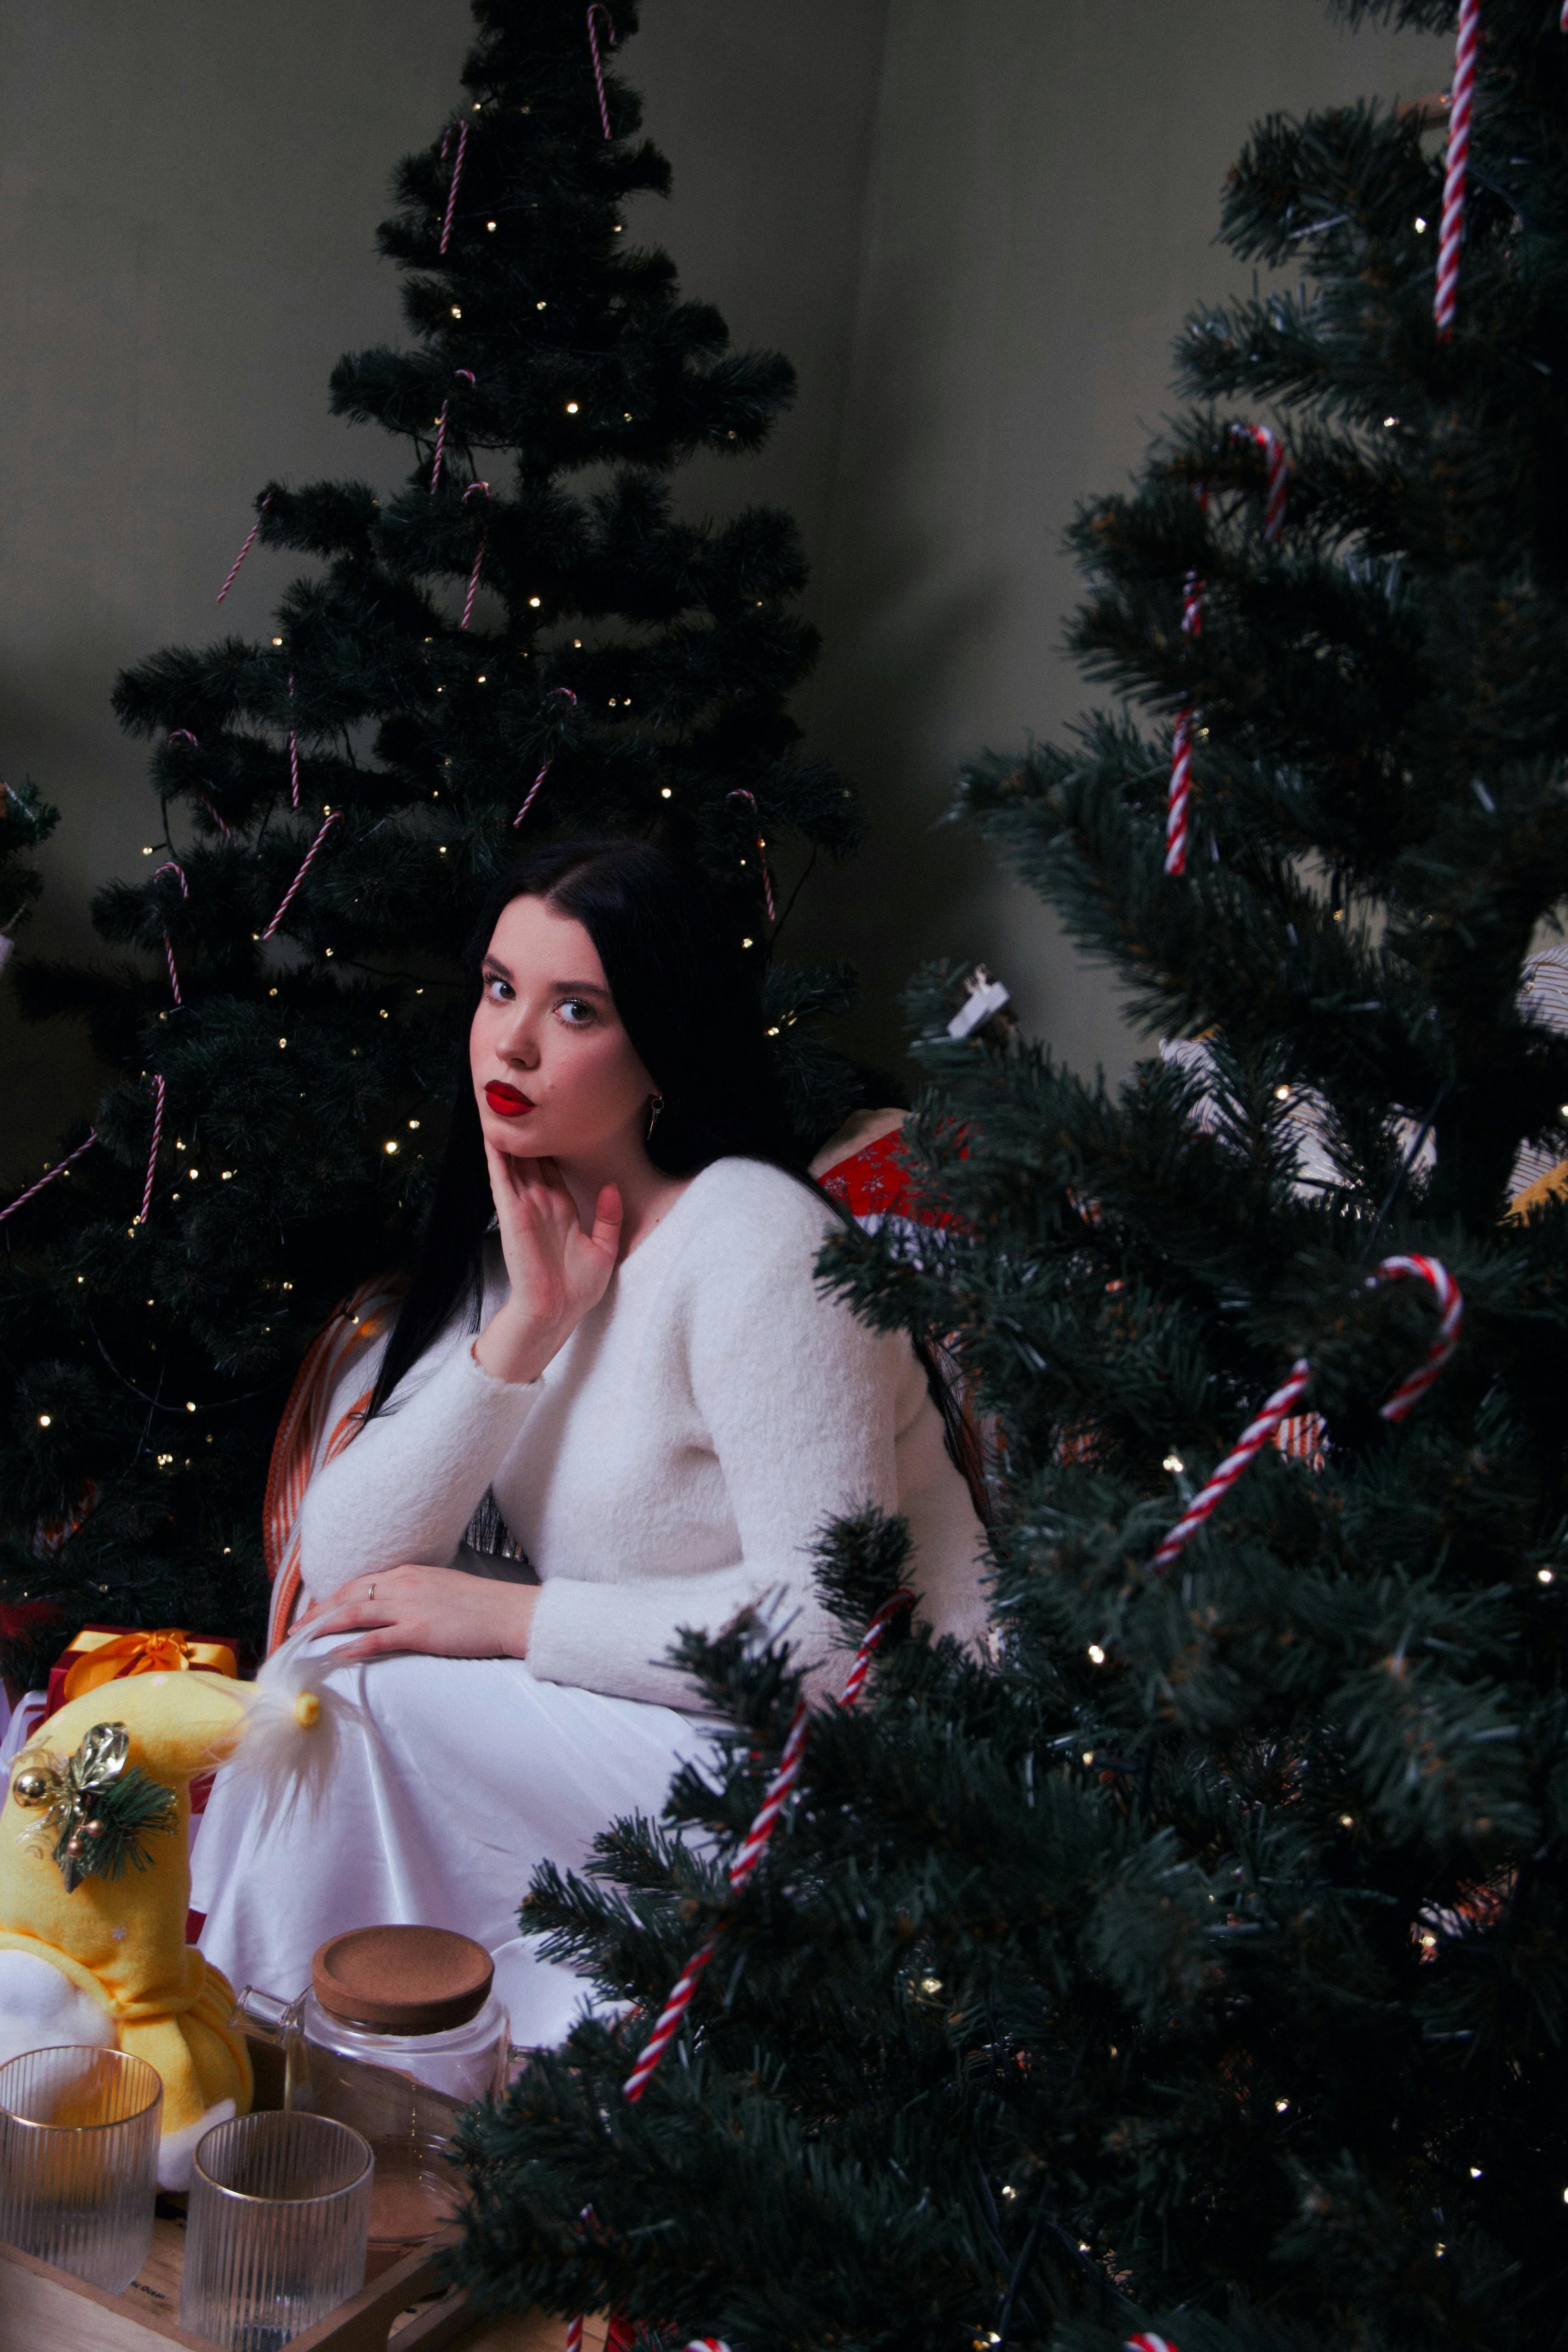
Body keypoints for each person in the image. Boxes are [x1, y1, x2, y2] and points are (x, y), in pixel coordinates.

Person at [191, 838, 991, 2033]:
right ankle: (328, 2050)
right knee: (327, 1676)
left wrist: (514, 1620)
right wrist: (529, 1328)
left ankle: (297, 2047)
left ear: (661, 1043)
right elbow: (341, 1561)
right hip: (678, 1733)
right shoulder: (529, 1245)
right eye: (499, 988)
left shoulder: (756, 1241)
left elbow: (833, 1635)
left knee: (354, 1702)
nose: (511, 1043)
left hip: (862, 1780)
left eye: (576, 1010)